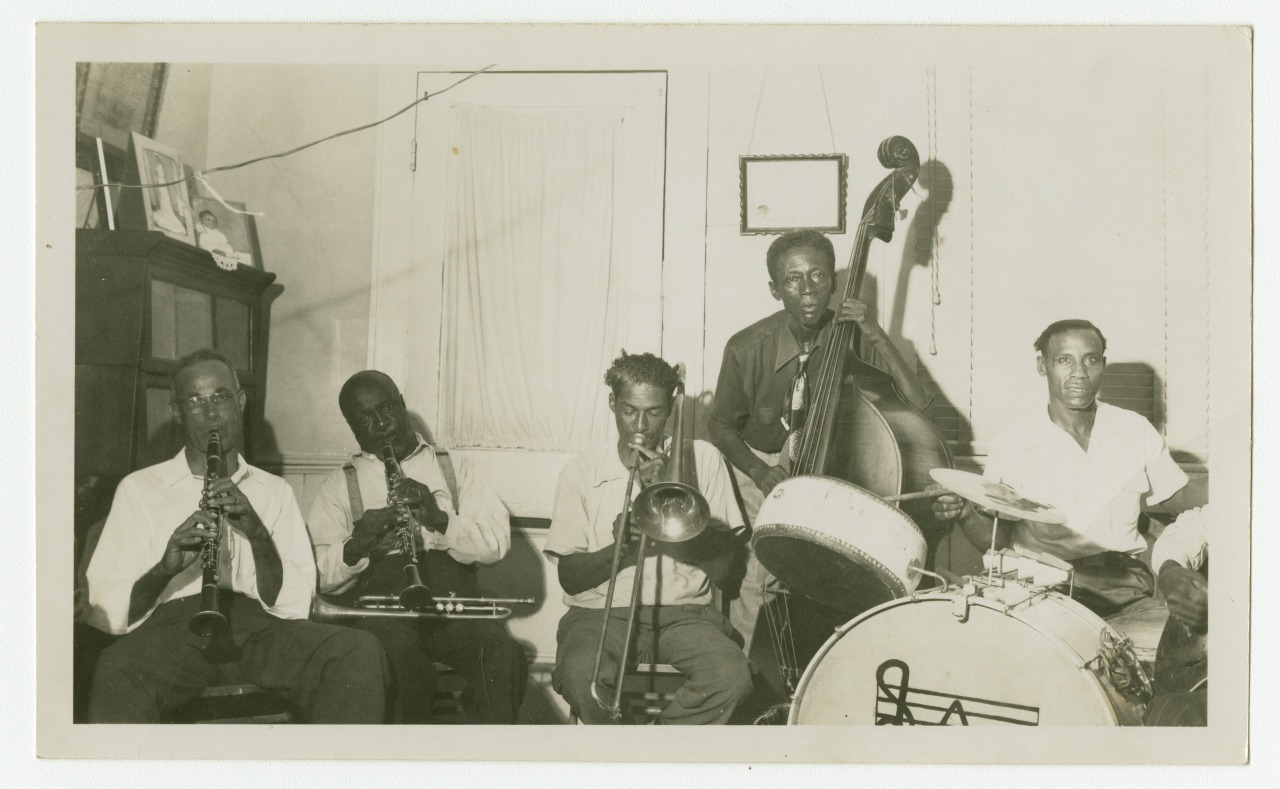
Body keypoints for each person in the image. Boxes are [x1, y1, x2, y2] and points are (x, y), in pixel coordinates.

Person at [82, 349, 390, 723]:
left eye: (221, 397)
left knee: (356, 651)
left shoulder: (274, 491)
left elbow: (293, 604)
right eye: (195, 402)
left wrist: (257, 533)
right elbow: (105, 612)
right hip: (171, 632)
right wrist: (164, 569)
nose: (211, 414)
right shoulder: (141, 488)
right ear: (177, 412)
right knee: (117, 669)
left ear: (240, 402)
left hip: (257, 628)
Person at [707, 229, 933, 657]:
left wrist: (874, 330)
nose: (808, 290)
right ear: (776, 289)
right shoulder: (745, 348)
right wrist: (759, 471)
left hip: (834, 463)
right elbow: (720, 427)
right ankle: (748, 683)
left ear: (833, 281)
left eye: (818, 276)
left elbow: (919, 403)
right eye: (793, 280)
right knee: (760, 577)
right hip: (765, 465)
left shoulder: (855, 334)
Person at [307, 370, 528, 724]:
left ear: (403, 405)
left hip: (452, 610)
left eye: (387, 408)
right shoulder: (339, 485)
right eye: (366, 417)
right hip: (384, 620)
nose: (382, 424)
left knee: (503, 655)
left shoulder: (455, 468)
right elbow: (316, 576)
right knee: (403, 666)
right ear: (352, 426)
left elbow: (496, 546)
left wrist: (440, 520)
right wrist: (358, 544)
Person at [546, 351, 753, 725]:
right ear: (612, 403)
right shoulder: (581, 471)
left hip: (686, 615)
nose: (640, 426)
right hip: (600, 616)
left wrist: (675, 525)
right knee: (581, 676)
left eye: (654, 412)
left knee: (732, 677)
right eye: (629, 411)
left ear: (671, 407)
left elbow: (727, 574)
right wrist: (620, 549)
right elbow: (570, 577)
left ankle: (657, 756)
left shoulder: (702, 459)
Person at [931, 319, 1188, 617]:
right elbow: (998, 540)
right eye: (1065, 360)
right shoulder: (1013, 442)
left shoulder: (1134, 430)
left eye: (1090, 360)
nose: (1079, 373)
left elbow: (1178, 496)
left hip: (1125, 590)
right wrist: (964, 513)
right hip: (1041, 590)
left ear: (1102, 365)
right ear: (1043, 366)